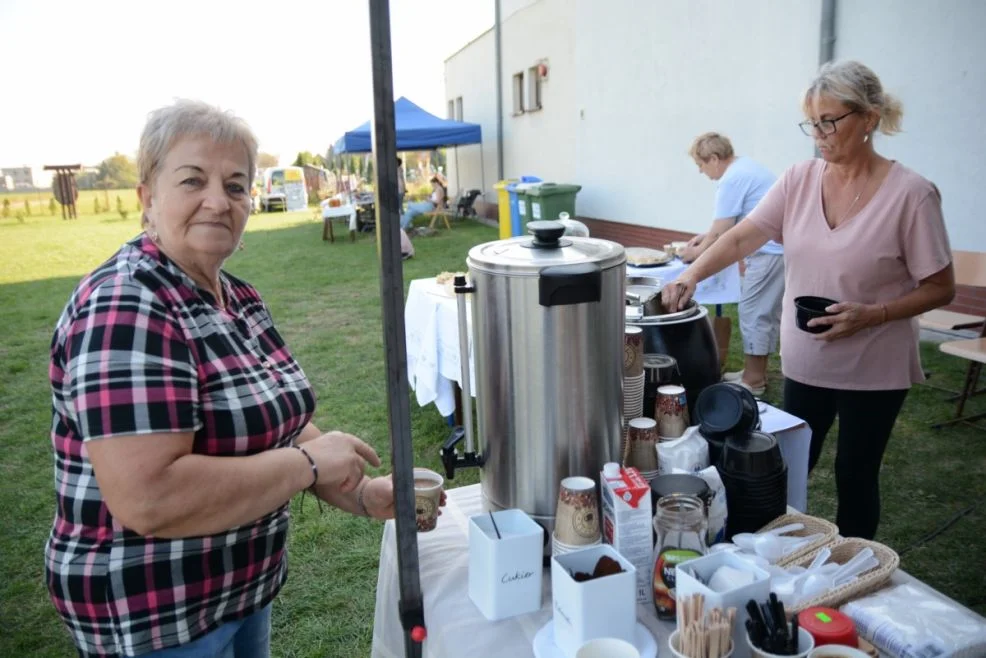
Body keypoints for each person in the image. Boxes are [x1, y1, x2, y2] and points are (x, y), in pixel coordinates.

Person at [44, 100, 435, 657]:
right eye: (192, 180)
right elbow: (149, 498)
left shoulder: (238, 297)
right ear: (148, 197)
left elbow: (281, 422)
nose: (217, 201)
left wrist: (363, 495)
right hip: (154, 617)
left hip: (236, 593)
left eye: (234, 185)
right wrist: (307, 467)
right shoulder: (126, 305)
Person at [662, 61, 954, 539]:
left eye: (829, 121)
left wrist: (873, 314)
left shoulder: (913, 195)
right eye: (811, 123)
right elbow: (743, 237)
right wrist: (691, 273)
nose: (818, 134)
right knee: (790, 462)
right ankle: (775, 559)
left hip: (875, 363)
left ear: (869, 118)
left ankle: (856, 570)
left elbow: (940, 287)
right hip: (807, 354)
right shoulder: (798, 179)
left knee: (855, 474)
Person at [682, 133, 784, 395]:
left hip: (769, 253)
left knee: (754, 312)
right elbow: (730, 224)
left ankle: (754, 382)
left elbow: (721, 231)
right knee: (762, 312)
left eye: (701, 165)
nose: (701, 171)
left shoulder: (732, 179)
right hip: (775, 250)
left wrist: (695, 256)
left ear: (714, 159)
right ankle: (754, 372)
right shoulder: (745, 168)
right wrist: (705, 239)